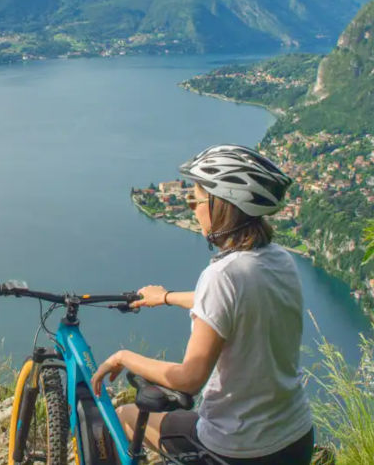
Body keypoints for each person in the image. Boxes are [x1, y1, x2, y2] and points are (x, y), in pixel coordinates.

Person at [91, 144, 313, 465]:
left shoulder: (221, 275)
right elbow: (233, 306)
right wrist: (165, 297)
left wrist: (124, 357)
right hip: (296, 438)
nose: (192, 208)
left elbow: (190, 378)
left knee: (123, 418)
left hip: (238, 449)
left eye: (196, 199)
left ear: (221, 205)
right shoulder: (280, 260)